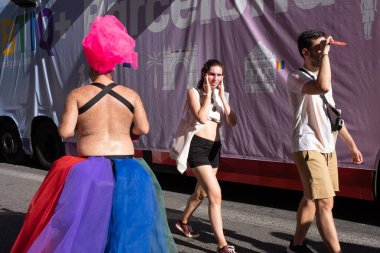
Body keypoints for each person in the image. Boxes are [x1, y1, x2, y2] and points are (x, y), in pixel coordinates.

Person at [11, 15, 178, 253]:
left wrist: (84, 125)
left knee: (87, 232)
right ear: (113, 68)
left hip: (89, 170)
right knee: (126, 232)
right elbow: (143, 128)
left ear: (90, 66)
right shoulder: (131, 95)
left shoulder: (78, 94)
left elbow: (65, 132)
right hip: (130, 171)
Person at [286, 30, 363, 253]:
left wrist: (351, 144)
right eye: (319, 47)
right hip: (308, 145)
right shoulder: (295, 77)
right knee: (325, 204)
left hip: (328, 146)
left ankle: (296, 245)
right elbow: (322, 87)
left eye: (325, 46)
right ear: (305, 52)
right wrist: (327, 55)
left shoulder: (323, 76)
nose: (324, 50)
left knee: (311, 198)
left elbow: (334, 116)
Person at [171, 59, 237, 253]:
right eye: (212, 74)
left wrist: (223, 99)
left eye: (219, 75)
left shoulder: (222, 95)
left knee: (201, 193)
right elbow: (200, 117)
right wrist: (208, 94)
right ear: (204, 74)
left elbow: (232, 122)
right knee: (215, 194)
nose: (215, 78)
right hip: (197, 147)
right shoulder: (194, 92)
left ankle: (183, 221)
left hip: (214, 148)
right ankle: (222, 245)